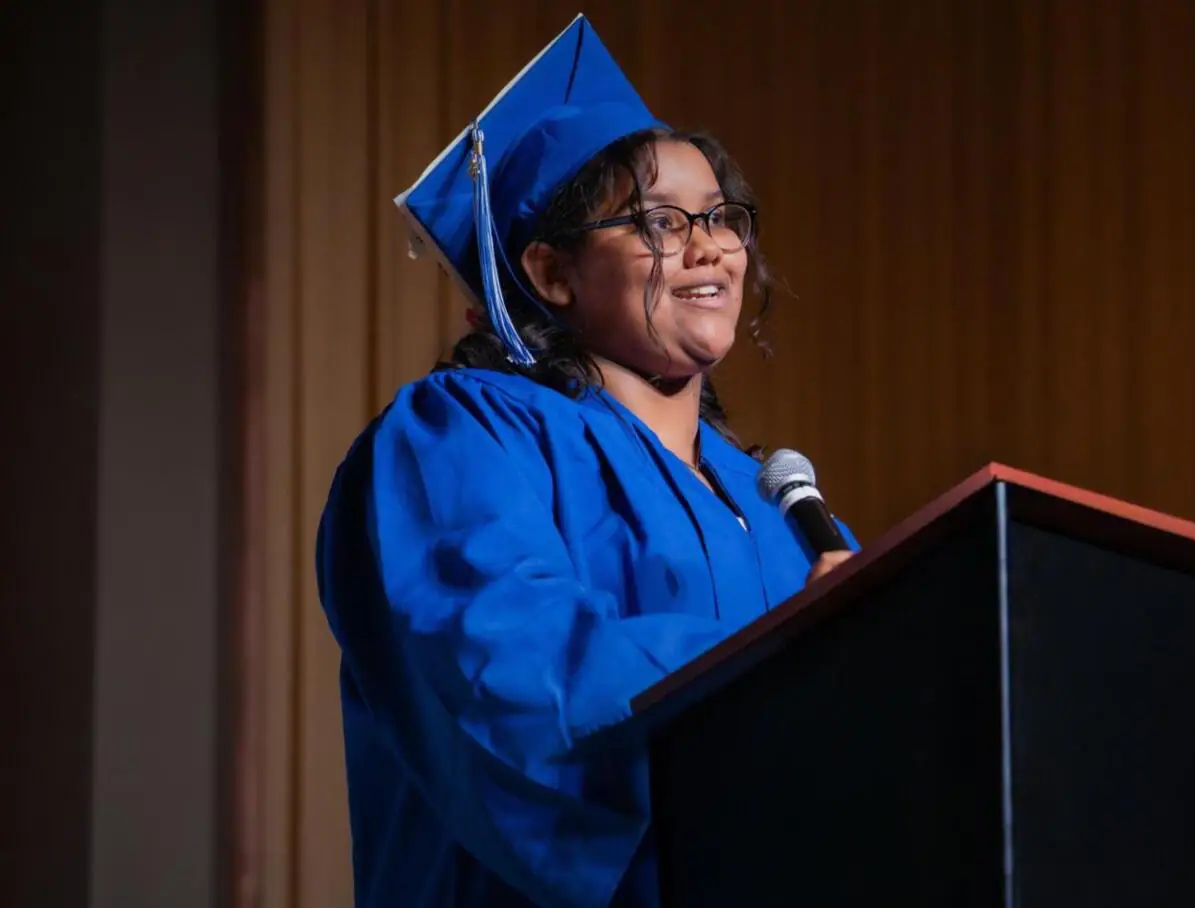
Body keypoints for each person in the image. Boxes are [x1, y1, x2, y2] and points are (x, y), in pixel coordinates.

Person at [314, 15, 855, 908]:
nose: (711, 244)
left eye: (723, 217)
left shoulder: (778, 510)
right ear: (551, 272)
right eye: (660, 221)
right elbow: (517, 676)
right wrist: (791, 659)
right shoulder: (464, 434)